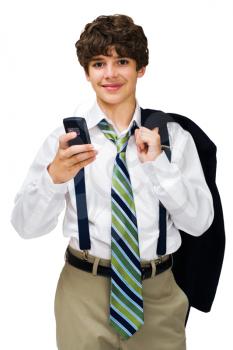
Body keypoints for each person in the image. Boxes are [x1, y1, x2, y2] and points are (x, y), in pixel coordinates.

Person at [11, 14, 214, 350]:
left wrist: (160, 166)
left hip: (157, 293)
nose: (110, 74)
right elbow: (25, 227)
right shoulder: (64, 140)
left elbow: (199, 223)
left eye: (122, 61)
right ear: (87, 72)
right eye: (98, 63)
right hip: (83, 293)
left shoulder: (173, 138)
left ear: (140, 68)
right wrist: (54, 178)